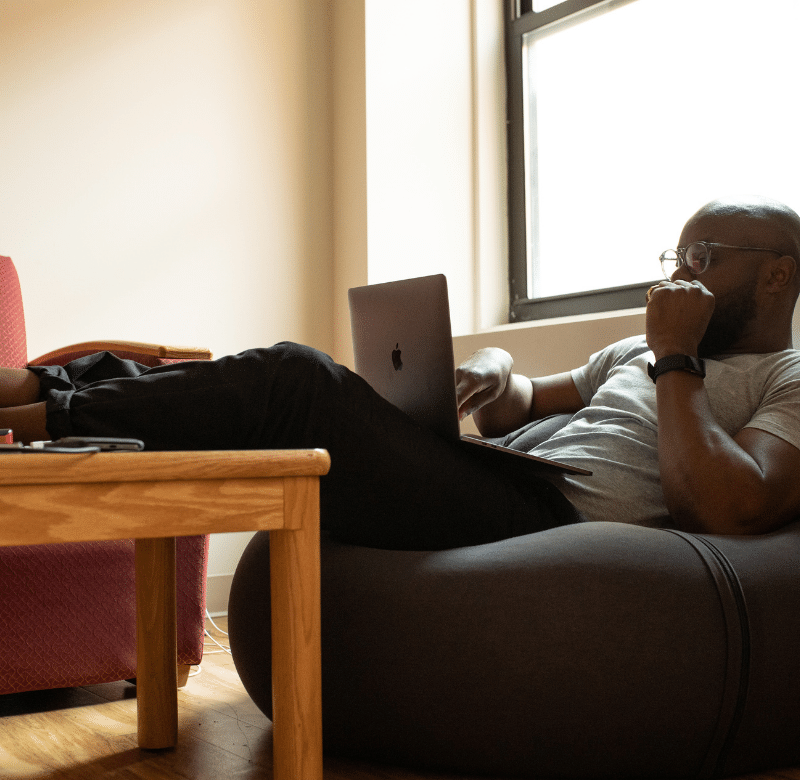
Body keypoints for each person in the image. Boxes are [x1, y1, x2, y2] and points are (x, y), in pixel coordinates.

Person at [3, 195, 800, 546]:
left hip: (546, 518)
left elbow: (732, 508)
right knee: (287, 387)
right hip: (498, 475)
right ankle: (49, 396)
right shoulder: (638, 349)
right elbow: (511, 412)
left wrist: (677, 358)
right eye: (676, 255)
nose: (676, 276)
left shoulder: (782, 378)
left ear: (776, 276)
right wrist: (498, 367)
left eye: (702, 258)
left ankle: (37, 409)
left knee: (298, 378)